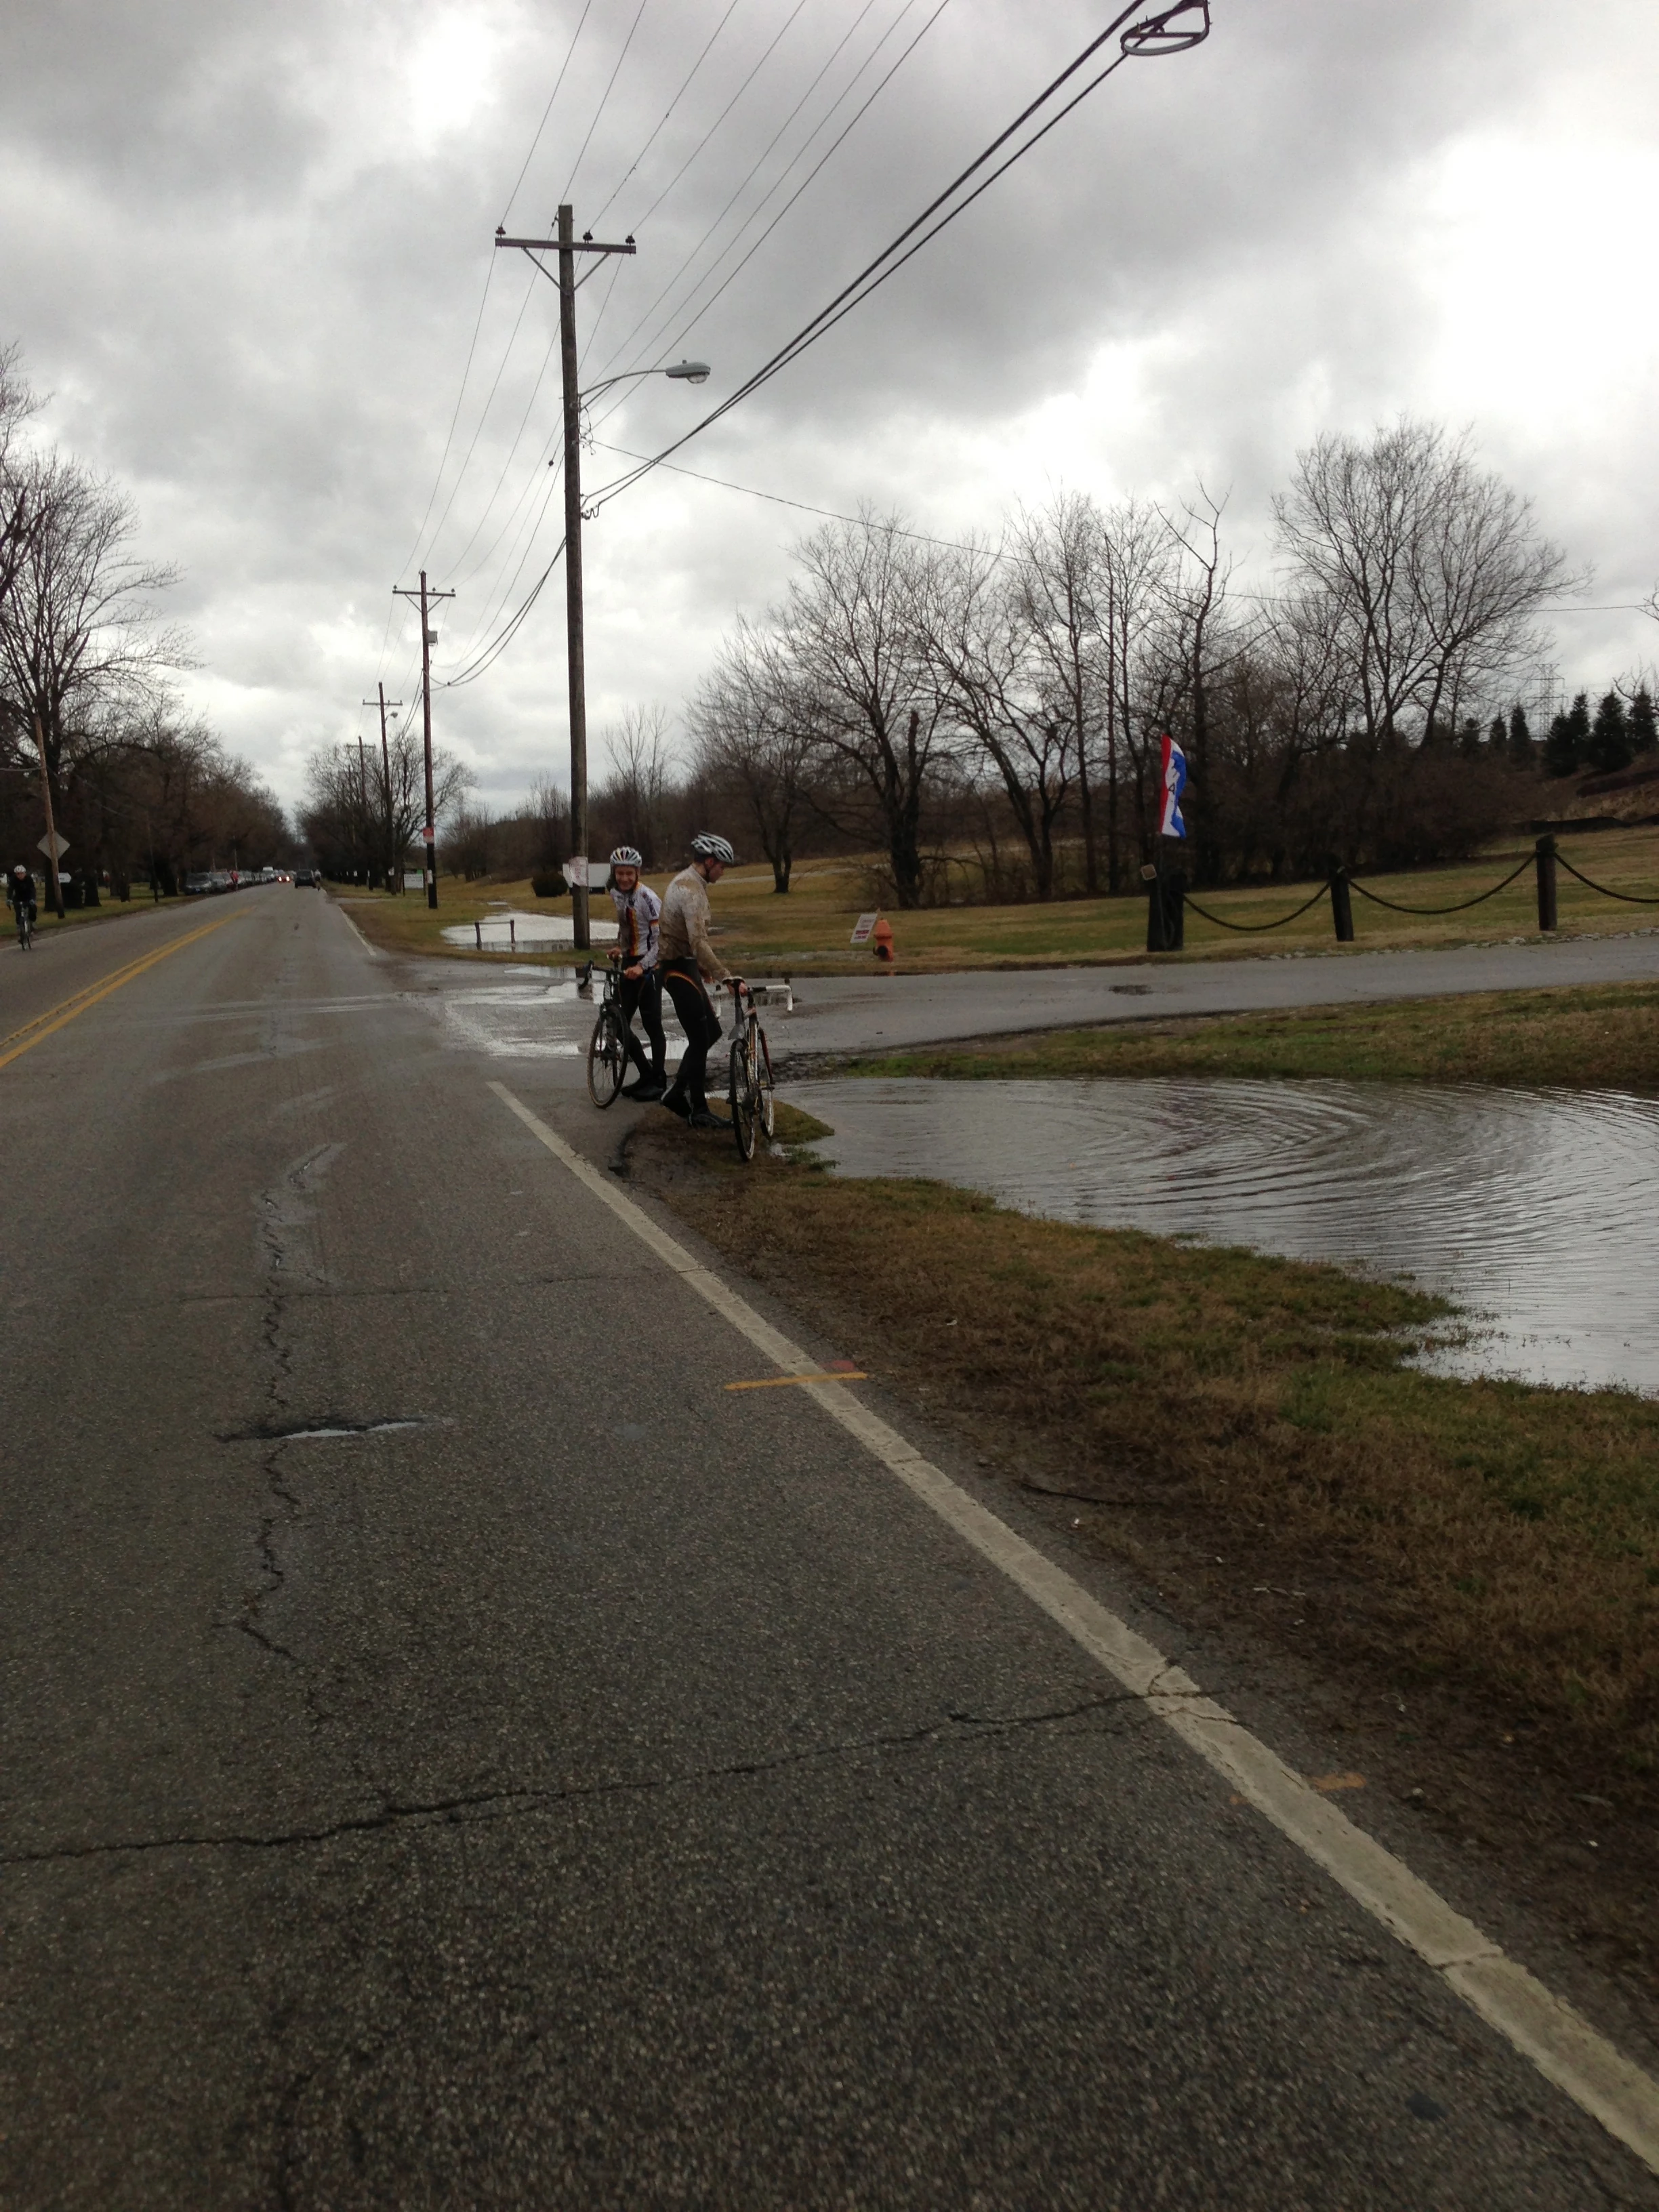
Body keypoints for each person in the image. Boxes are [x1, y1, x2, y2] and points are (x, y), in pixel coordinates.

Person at [657, 833, 739, 1128]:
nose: (723, 871)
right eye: (722, 866)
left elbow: (690, 944)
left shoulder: (690, 882)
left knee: (711, 1032)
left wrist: (703, 968)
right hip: (676, 968)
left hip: (685, 965)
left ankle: (677, 1093)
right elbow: (699, 943)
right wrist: (725, 976)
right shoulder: (691, 891)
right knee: (700, 1036)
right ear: (709, 861)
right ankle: (699, 1108)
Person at [607, 845, 667, 1101]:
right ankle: (646, 1074)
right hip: (630, 962)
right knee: (619, 1024)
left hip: (651, 964)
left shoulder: (648, 898)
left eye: (629, 873)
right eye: (620, 873)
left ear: (637, 872)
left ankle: (659, 1080)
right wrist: (619, 949)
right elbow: (627, 929)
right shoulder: (616, 894)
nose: (624, 878)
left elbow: (661, 941)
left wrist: (643, 966)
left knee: (653, 1023)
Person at [8, 862, 37, 943]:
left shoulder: (29, 879)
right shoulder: (13, 879)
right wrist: (9, 899)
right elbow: (10, 889)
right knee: (18, 911)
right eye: (18, 874)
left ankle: (32, 924)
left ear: (24, 873)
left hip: (28, 897)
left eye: (21, 874)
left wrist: (33, 899)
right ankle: (20, 929)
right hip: (18, 897)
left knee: (33, 909)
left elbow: (33, 889)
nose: (20, 876)